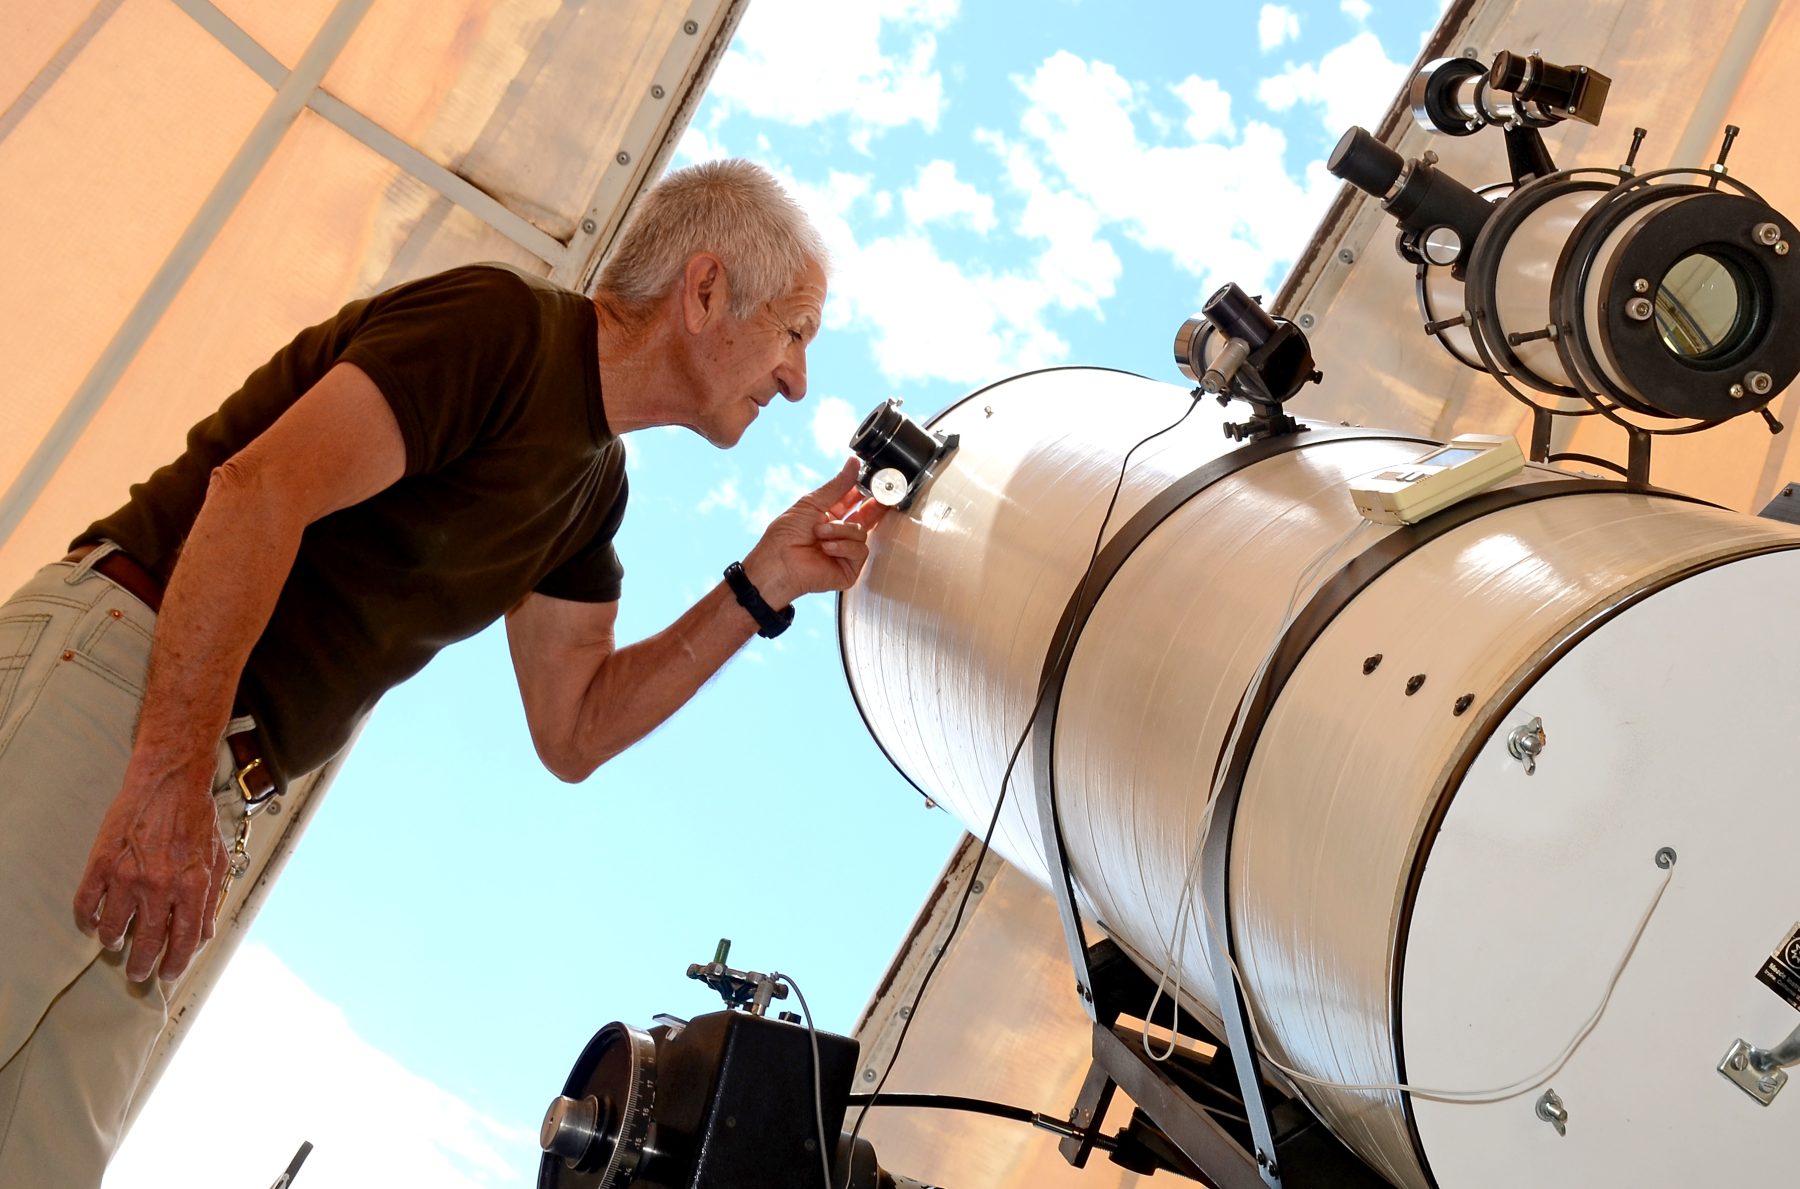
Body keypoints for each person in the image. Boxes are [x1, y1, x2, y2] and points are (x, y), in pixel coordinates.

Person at [0, 158, 879, 1184]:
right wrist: (162, 774)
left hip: (208, 783)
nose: (797, 377)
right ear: (705, 290)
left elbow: (577, 726)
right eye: (794, 330)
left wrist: (768, 576)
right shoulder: (501, 330)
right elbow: (258, 491)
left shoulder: (592, 491)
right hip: (129, 689)